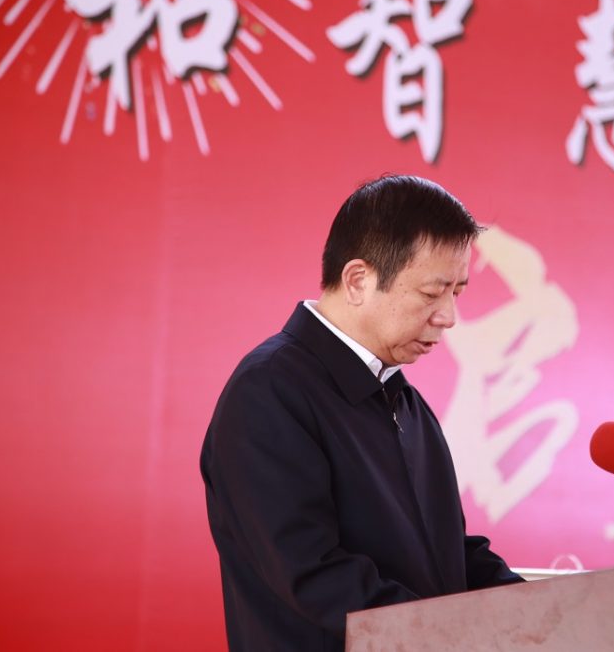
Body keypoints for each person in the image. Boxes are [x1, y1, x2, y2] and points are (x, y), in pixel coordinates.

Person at [201, 175, 523, 651]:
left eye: (457, 292)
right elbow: (314, 575)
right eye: (431, 293)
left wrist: (545, 611)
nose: (449, 317)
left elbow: (448, 554)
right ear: (357, 280)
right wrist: (454, 635)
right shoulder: (269, 390)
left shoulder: (404, 401)